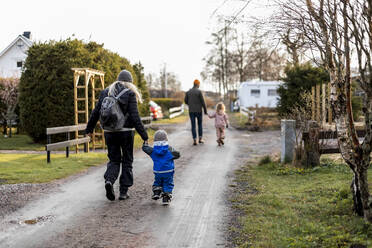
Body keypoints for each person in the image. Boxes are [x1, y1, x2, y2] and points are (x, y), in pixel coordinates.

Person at [85, 70, 149, 201]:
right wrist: (144, 135)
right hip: (126, 132)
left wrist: (89, 129)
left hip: (109, 132)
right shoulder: (130, 94)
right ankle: (123, 192)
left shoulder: (106, 92)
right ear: (130, 82)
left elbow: (96, 112)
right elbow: (135, 116)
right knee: (127, 160)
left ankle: (109, 180)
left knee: (114, 160)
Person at [142, 130, 180, 205]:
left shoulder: (153, 150)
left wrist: (145, 144)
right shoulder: (169, 149)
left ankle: (156, 192)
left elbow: (145, 148)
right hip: (168, 171)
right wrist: (172, 157)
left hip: (158, 171)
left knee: (157, 181)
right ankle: (166, 197)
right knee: (168, 183)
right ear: (166, 140)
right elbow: (177, 155)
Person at [184, 79, 208, 145]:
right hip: (199, 111)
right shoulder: (199, 92)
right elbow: (203, 102)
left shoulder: (188, 92)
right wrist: (205, 111)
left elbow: (185, 101)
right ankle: (200, 139)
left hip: (191, 111)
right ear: (198, 84)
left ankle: (194, 140)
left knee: (193, 125)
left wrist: (190, 104)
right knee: (200, 124)